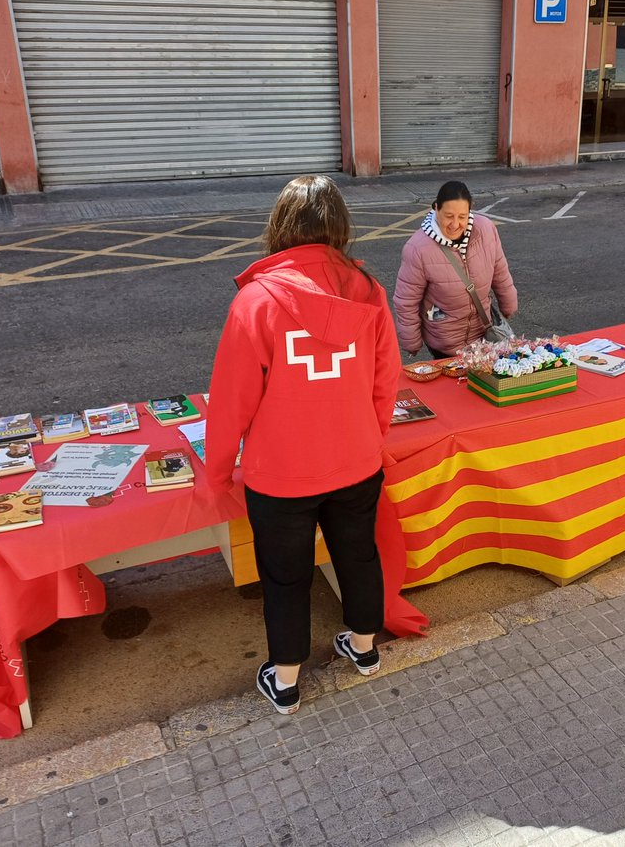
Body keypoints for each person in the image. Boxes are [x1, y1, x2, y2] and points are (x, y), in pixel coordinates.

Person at [205, 175, 401, 715]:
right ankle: (364, 650)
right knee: (358, 555)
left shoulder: (257, 302)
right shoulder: (369, 291)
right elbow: (386, 383)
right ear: (339, 228)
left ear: (280, 228)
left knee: (286, 574)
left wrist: (217, 471)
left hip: (281, 475)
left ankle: (287, 680)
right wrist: (368, 437)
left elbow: (231, 402)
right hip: (357, 461)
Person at [393, 180, 518, 358]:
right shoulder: (417, 249)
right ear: (436, 208)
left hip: (484, 335)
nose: (455, 224)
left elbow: (500, 271)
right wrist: (411, 341)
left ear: (470, 210)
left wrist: (509, 304)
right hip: (445, 344)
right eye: (449, 216)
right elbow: (406, 301)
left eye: (462, 216)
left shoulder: (486, 229)